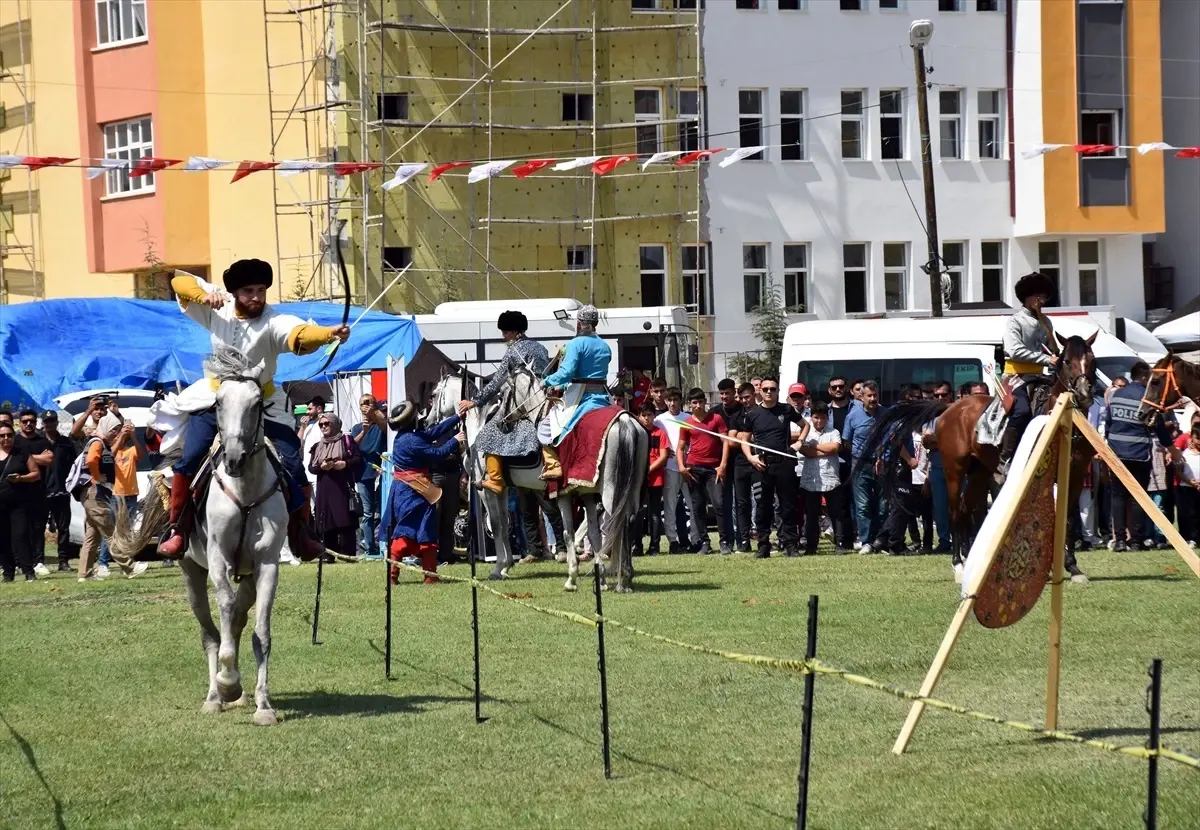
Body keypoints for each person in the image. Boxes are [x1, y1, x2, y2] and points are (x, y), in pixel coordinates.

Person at [156, 260, 348, 559]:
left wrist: (327, 334)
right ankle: (178, 530)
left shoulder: (273, 321)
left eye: (261, 290)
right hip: (216, 397)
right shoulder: (217, 305)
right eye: (248, 291)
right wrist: (201, 295)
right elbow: (178, 283)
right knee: (191, 456)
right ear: (234, 292)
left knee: (293, 464)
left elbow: (298, 334)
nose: (257, 297)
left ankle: (302, 534)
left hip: (263, 402)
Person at [458, 310, 551, 494]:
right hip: (543, 403)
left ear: (515, 332)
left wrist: (475, 402)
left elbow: (497, 381)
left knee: (487, 434)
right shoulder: (541, 348)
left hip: (520, 405)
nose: (503, 336)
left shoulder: (513, 350)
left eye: (505, 332)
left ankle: (495, 479)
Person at [377, 402, 463, 584]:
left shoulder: (406, 436)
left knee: (421, 530)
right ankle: (407, 577)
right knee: (408, 533)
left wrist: (457, 416)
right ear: (412, 419)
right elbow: (438, 453)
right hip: (413, 492)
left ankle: (425, 577)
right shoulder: (412, 440)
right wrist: (456, 440)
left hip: (409, 490)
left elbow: (434, 433)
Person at [1104, 361, 1177, 552]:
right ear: (1144, 377)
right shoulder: (1146, 397)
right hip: (1139, 454)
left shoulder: (1117, 394)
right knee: (1138, 497)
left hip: (1116, 453)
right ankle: (1136, 541)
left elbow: (1109, 424)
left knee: (1118, 497)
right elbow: (1159, 426)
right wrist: (1172, 448)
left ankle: (1119, 540)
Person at [539, 305, 612, 480]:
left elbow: (566, 373)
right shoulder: (605, 346)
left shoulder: (575, 343)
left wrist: (546, 381)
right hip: (604, 396)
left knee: (545, 428)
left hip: (582, 396)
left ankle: (555, 466)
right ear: (595, 324)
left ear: (579, 323)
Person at [740, 378, 805, 558]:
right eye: (765, 389)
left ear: (777, 391)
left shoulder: (786, 409)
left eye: (772, 389)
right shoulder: (753, 414)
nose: (769, 392)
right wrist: (750, 457)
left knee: (788, 506)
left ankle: (791, 544)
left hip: (784, 463)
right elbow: (744, 441)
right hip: (762, 466)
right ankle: (763, 545)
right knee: (763, 507)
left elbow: (805, 426)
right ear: (760, 391)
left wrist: (799, 443)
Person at [81, 413, 148, 580]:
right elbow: (93, 460)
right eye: (114, 430)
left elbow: (139, 454)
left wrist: (131, 435)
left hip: (107, 494)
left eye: (119, 430)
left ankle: (84, 574)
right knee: (111, 533)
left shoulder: (107, 445)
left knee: (93, 535)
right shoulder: (99, 444)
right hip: (104, 494)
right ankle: (128, 567)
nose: (117, 433)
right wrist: (96, 476)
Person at [679, 388, 731, 554]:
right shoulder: (686, 423)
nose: (698, 406)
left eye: (701, 402)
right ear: (690, 404)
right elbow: (680, 447)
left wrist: (723, 465)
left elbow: (726, 442)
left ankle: (724, 542)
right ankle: (705, 542)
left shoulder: (716, 419)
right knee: (698, 506)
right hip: (694, 468)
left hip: (713, 469)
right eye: (695, 402)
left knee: (719, 504)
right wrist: (681, 466)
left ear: (705, 402)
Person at [307, 414, 362, 562]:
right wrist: (322, 467)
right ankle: (329, 555)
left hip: (342, 486)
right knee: (326, 521)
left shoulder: (347, 441)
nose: (323, 427)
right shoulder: (318, 446)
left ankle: (348, 554)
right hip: (324, 487)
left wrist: (344, 464)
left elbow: (358, 459)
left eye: (327, 424)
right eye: (321, 425)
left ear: (335, 424)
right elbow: (311, 467)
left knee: (344, 520)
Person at [844, 380, 886, 553]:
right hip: (860, 464)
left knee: (883, 505)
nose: (873, 398)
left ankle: (881, 539)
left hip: (882, 463)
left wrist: (881, 457)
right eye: (869, 395)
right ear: (861, 397)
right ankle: (866, 541)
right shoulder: (853, 416)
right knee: (863, 505)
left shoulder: (885, 413)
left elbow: (888, 437)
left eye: (875, 395)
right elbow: (846, 441)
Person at [796, 402, 843, 555]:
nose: (819, 421)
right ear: (811, 417)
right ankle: (811, 546)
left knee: (836, 513)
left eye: (822, 418)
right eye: (816, 418)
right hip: (811, 479)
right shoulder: (805, 432)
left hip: (831, 477)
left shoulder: (834, 432)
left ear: (827, 418)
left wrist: (814, 447)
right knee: (811, 514)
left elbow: (835, 448)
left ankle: (840, 543)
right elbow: (804, 450)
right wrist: (825, 450)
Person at [655, 388, 696, 553]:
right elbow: (656, 441)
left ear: (680, 400)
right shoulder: (659, 420)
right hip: (670, 467)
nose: (672, 403)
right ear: (665, 401)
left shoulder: (688, 418)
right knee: (670, 506)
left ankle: (696, 539)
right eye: (669, 400)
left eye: (675, 400)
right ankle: (673, 541)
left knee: (693, 505)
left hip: (689, 467)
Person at [38, 411, 80, 572]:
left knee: (64, 528)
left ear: (57, 422)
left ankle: (63, 561)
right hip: (41, 492)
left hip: (62, 491)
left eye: (52, 420)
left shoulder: (65, 442)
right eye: (47, 421)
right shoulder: (38, 442)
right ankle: (39, 561)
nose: (49, 423)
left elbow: (74, 466)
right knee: (39, 528)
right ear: (43, 423)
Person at [14, 408, 53, 575]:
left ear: (36, 422)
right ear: (20, 423)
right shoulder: (14, 441)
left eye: (31, 421)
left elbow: (49, 459)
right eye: (25, 421)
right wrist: (37, 457)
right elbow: (11, 458)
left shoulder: (42, 441)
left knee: (38, 528)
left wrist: (23, 456)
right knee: (19, 529)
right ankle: (19, 562)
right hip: (17, 492)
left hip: (38, 491)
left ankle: (38, 561)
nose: (28, 424)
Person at [0, 420, 40, 581]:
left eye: (9, 435)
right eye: (2, 436)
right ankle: (8, 573)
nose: (6, 438)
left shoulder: (21, 452)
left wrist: (21, 478)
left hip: (19, 503)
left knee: (21, 536)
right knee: (2, 538)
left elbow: (36, 474)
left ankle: (28, 570)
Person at [350, 395, 386, 556]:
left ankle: (384, 544)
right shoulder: (357, 428)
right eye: (362, 404)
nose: (365, 407)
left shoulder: (380, 425)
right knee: (368, 511)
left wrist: (375, 413)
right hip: (363, 474)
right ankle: (370, 547)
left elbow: (388, 428)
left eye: (368, 403)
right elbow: (351, 447)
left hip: (382, 472)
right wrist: (363, 432)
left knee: (383, 509)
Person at [709, 378, 743, 545]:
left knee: (742, 502)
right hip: (721, 462)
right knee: (724, 502)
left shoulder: (742, 410)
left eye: (727, 393)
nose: (724, 396)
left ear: (734, 393)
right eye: (721, 393)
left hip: (740, 461)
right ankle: (727, 539)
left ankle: (743, 538)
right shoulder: (714, 413)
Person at [635, 403, 669, 556]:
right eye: (643, 415)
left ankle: (654, 546)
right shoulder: (636, 433)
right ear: (639, 416)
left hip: (655, 479)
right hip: (638, 480)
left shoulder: (660, 433)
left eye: (649, 415)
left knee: (654, 514)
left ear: (654, 416)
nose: (646, 418)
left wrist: (648, 470)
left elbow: (663, 456)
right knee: (638, 513)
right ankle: (637, 546)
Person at [728, 382, 758, 552]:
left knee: (761, 501)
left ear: (754, 395)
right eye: (742, 398)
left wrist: (742, 436)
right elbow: (731, 441)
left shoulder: (763, 413)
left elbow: (767, 435)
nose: (745, 401)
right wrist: (750, 436)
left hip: (759, 462)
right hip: (740, 464)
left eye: (748, 397)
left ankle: (762, 536)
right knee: (741, 503)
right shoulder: (736, 416)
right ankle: (744, 540)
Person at [1175, 424, 1200, 544]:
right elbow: (1178, 472)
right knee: (1187, 514)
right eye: (1197, 438)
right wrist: (1190, 482)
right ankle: (1187, 538)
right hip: (1187, 488)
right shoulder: (1185, 454)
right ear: (1192, 438)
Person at [298, 396, 328, 489]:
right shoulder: (309, 427)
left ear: (319, 409)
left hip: (319, 473)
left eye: (310, 409)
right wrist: (303, 427)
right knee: (311, 503)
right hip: (307, 473)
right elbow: (298, 444)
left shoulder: (326, 425)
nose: (307, 412)